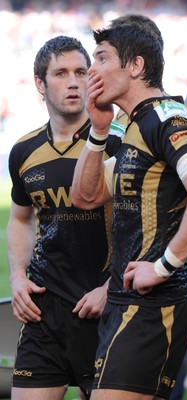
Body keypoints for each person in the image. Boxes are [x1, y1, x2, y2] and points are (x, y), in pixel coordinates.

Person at [71, 23, 187, 400]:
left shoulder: (168, 118)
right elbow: (86, 196)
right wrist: (97, 130)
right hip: (127, 303)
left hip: (153, 307)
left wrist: (162, 267)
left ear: (136, 66)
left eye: (102, 58)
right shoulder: (134, 126)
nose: (92, 71)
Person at [6, 35, 124, 400]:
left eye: (80, 72)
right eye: (60, 73)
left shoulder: (119, 145)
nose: (74, 82)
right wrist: (17, 278)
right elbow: (21, 219)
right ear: (40, 84)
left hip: (106, 309)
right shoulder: (24, 152)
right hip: (45, 310)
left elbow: (144, 228)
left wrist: (110, 289)